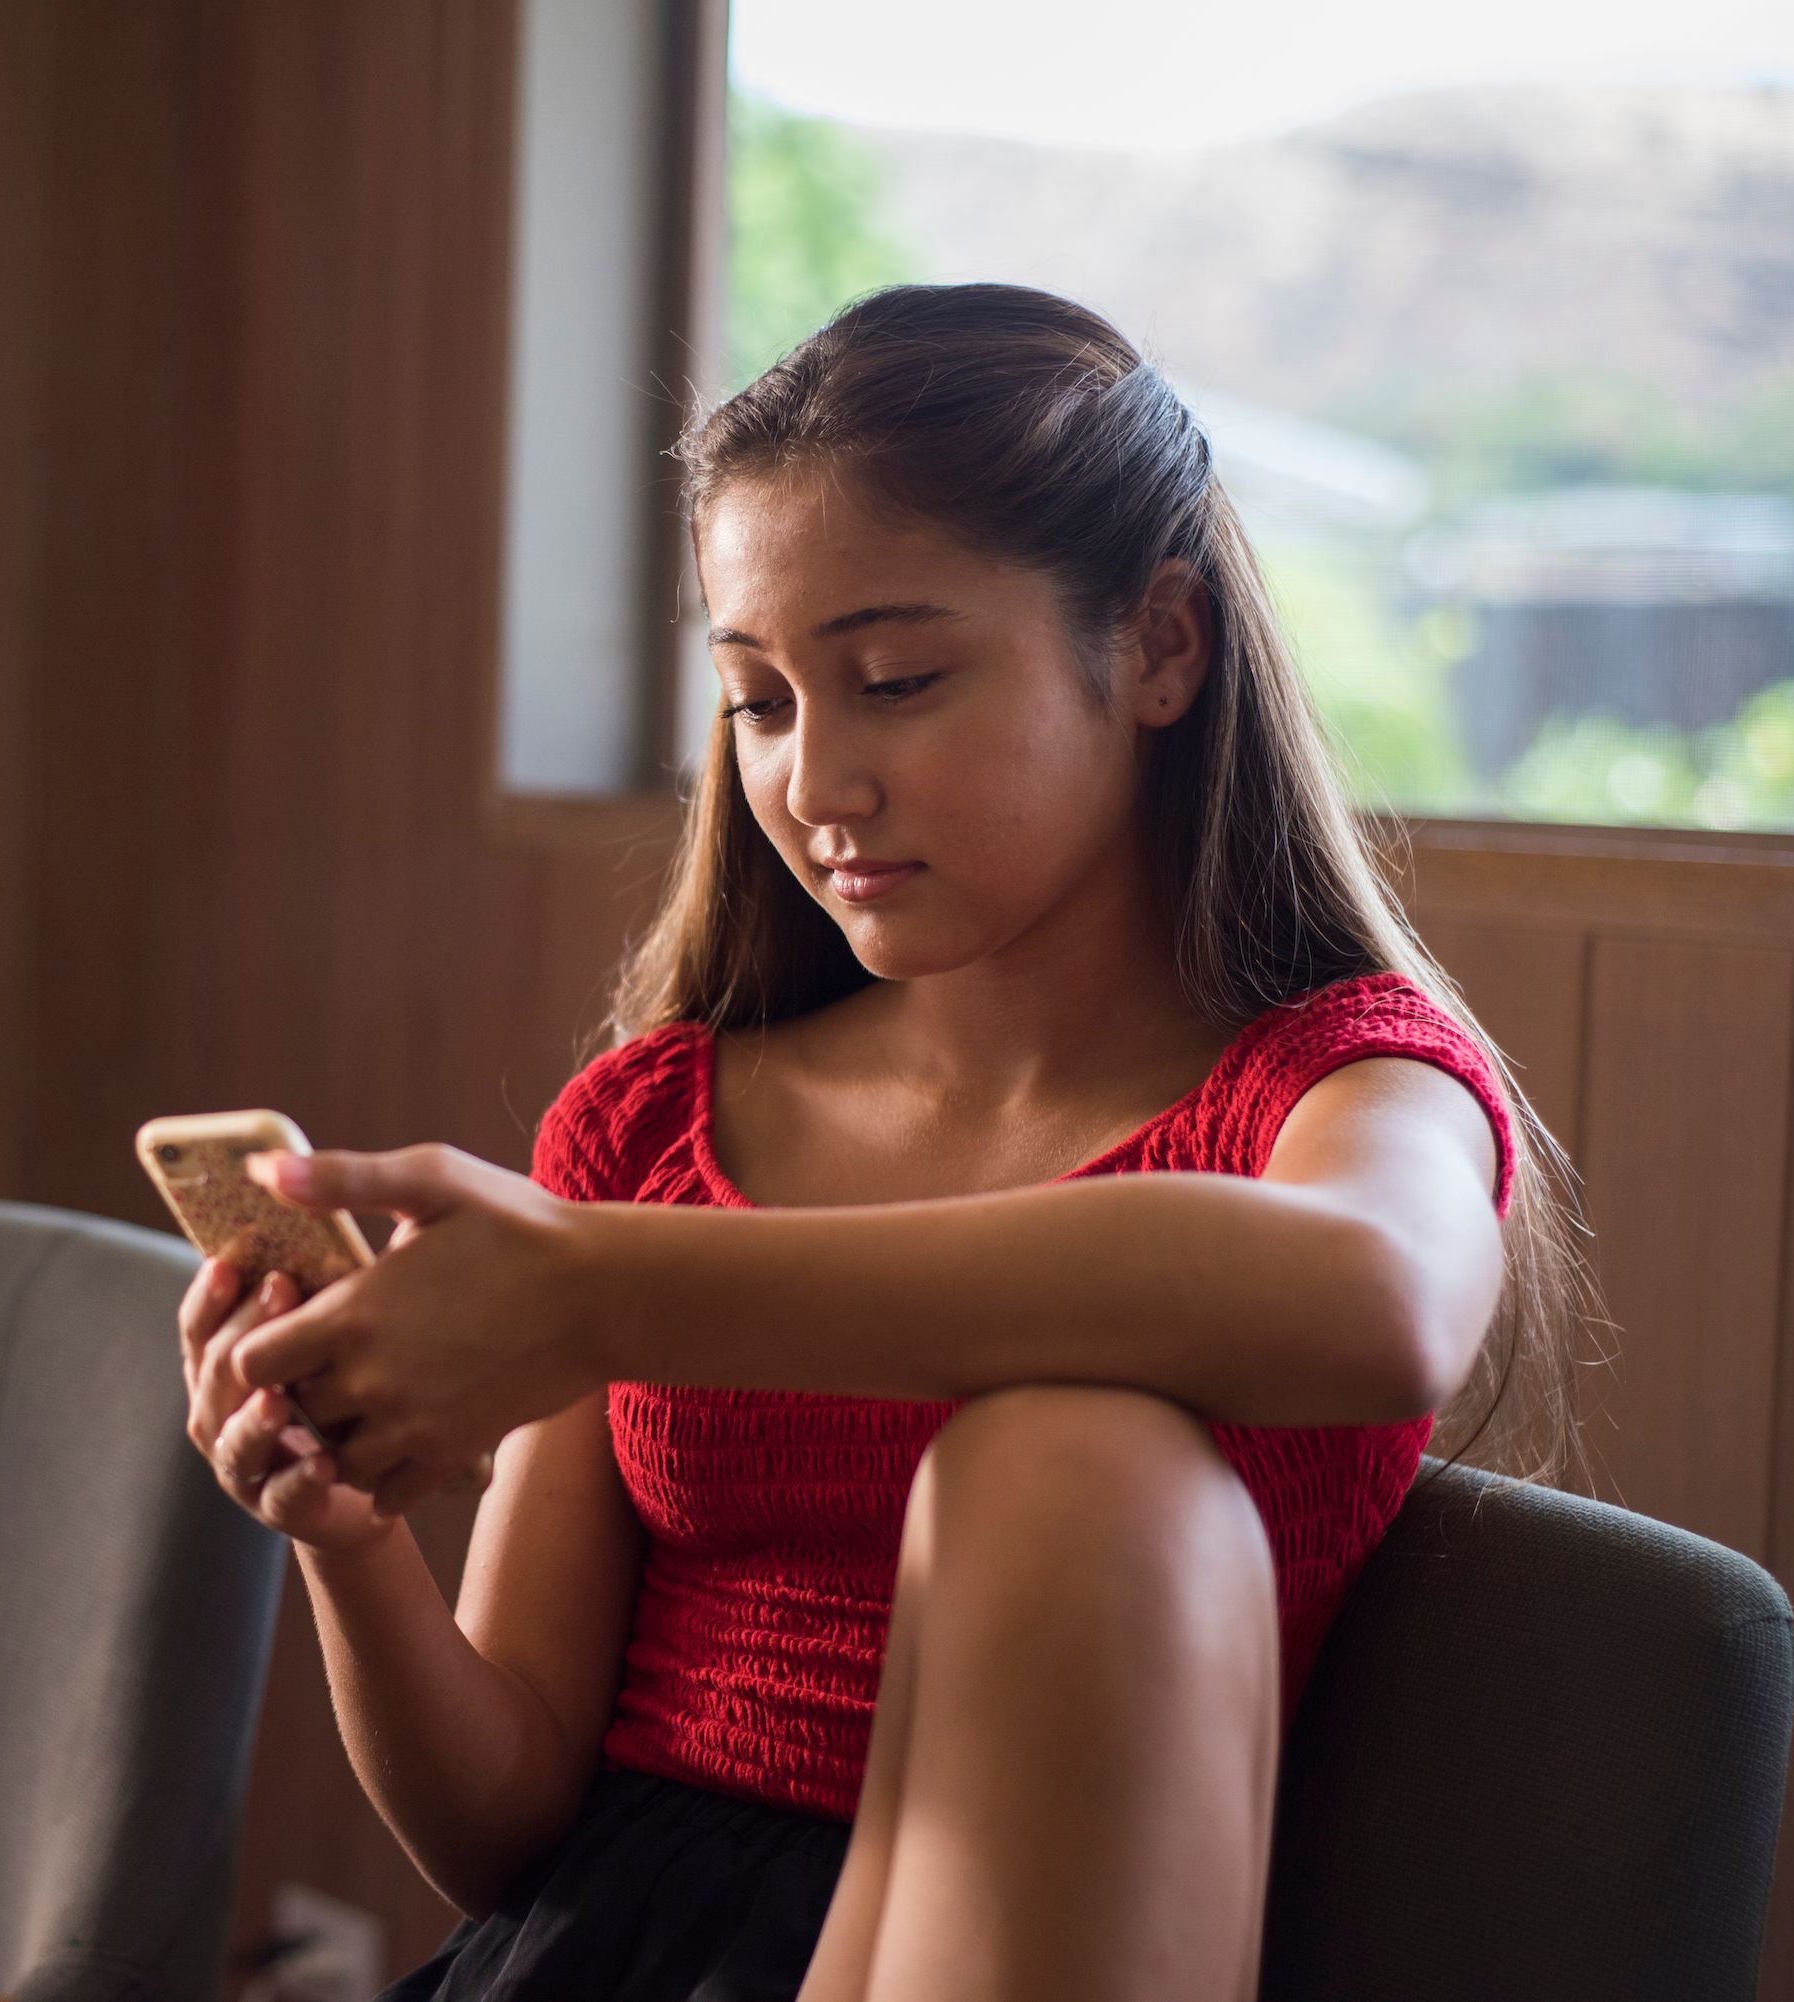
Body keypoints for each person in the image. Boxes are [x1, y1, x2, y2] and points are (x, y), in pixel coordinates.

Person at [179, 283, 1589, 2001]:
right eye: (759, 700)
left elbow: (1378, 1299)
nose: (815, 779)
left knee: (1075, 1458)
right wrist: (347, 1540)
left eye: (898, 679)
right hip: (601, 1954)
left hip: (1070, 1933)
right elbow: (510, 1839)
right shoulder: (646, 1125)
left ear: (1159, 644)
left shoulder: (1344, 1089)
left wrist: (606, 1291)